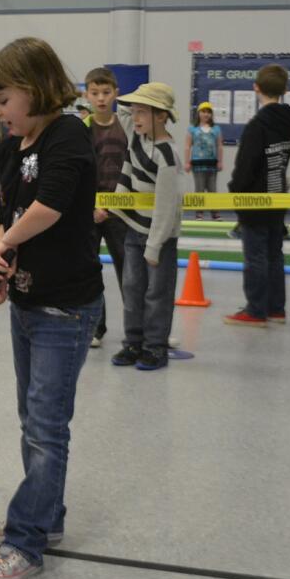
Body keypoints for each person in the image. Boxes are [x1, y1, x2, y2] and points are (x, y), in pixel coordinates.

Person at [0, 37, 103, 579]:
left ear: (35, 87)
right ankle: (45, 520)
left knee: (48, 428)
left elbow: (48, 207)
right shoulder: (13, 147)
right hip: (25, 302)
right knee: (33, 421)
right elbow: (8, 215)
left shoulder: (69, 135)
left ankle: (25, 542)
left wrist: (3, 248)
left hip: (66, 309)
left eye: (4, 99)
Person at [108, 82, 183, 370]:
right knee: (133, 289)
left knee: (156, 294)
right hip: (134, 231)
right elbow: (122, 111)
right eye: (135, 111)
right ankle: (133, 343)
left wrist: (154, 245)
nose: (135, 117)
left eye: (143, 112)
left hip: (158, 239)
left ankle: (155, 347)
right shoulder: (137, 138)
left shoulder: (167, 155)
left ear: (162, 116)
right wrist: (132, 101)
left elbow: (167, 208)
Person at [224, 64, 290, 327]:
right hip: (278, 195)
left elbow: (246, 164)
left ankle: (255, 310)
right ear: (285, 90)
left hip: (254, 199)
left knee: (255, 255)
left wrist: (235, 191)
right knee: (274, 254)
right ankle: (276, 308)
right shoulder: (288, 123)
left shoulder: (257, 125)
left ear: (256, 88)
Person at [82, 67, 129, 349]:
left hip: (122, 211)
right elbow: (81, 171)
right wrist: (93, 205)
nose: (101, 98)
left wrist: (118, 204)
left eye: (106, 92)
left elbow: (131, 166)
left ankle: (136, 329)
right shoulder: (82, 127)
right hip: (90, 212)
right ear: (86, 94)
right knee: (90, 270)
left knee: (129, 271)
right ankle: (96, 327)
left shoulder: (125, 125)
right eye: (95, 93)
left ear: (116, 94)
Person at [185, 102, 225, 220]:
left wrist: (220, 161)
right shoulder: (192, 129)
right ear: (198, 113)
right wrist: (187, 162)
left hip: (212, 163)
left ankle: (215, 213)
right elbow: (187, 146)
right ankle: (199, 213)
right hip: (197, 164)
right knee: (199, 189)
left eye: (208, 112)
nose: (206, 114)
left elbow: (219, 146)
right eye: (203, 111)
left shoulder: (216, 129)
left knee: (212, 189)